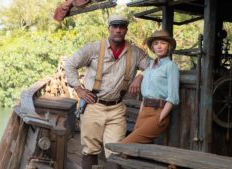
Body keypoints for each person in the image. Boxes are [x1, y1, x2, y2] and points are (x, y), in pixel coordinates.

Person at [65, 14, 150, 169]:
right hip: (93, 105)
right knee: (90, 151)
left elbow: (153, 67)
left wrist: (141, 76)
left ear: (126, 30)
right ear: (109, 29)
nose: (118, 30)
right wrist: (78, 88)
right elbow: (70, 65)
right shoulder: (93, 48)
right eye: (115, 26)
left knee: (116, 152)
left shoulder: (136, 53)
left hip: (117, 108)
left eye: (122, 27)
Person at [122, 30, 180, 144]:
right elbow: (145, 95)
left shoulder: (171, 66)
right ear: (152, 47)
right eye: (156, 43)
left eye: (163, 43)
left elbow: (173, 97)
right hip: (144, 112)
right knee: (135, 151)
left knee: (126, 145)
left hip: (158, 112)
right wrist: (140, 114)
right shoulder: (149, 68)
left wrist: (161, 116)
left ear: (168, 46)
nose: (159, 46)